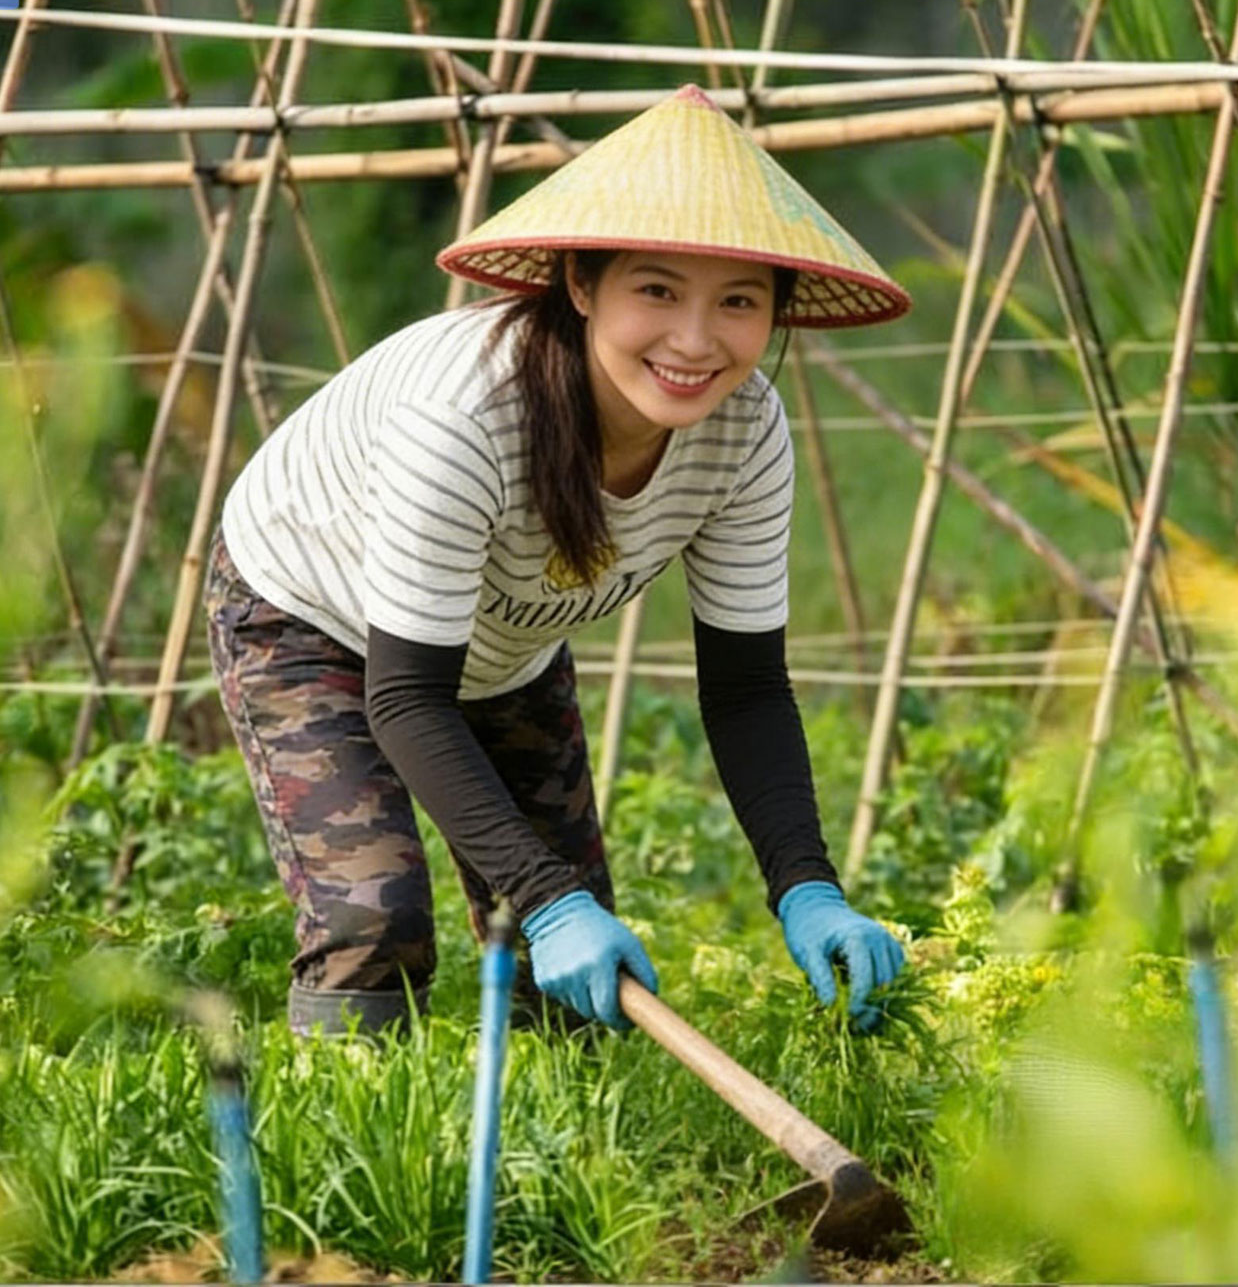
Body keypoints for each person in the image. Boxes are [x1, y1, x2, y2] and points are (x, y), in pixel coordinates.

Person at [205, 83, 913, 1037]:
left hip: (501, 641)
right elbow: (409, 694)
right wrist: (550, 900)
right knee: (376, 914)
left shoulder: (745, 430)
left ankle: (565, 1162)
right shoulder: (464, 416)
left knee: (576, 978)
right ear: (581, 285)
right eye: (655, 290)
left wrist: (807, 885)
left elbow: (745, 688)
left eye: (738, 302)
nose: (695, 342)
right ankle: (350, 1155)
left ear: (776, 312)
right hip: (307, 608)